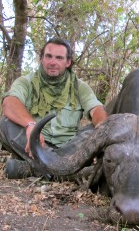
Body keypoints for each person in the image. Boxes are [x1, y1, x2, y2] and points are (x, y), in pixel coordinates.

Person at [0, 38, 108, 179]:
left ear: (68, 62)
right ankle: (66, 172)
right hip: (35, 145)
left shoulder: (80, 86)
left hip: (70, 148)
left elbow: (97, 110)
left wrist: (102, 127)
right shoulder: (26, 82)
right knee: (5, 123)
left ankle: (34, 169)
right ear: (41, 59)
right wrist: (31, 125)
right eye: (48, 56)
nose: (53, 62)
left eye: (59, 58)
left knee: (96, 129)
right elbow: (9, 103)